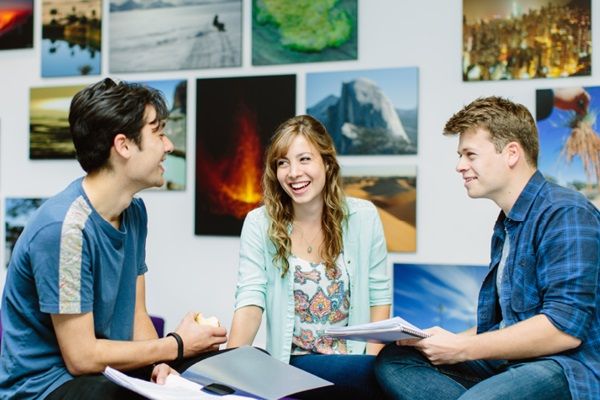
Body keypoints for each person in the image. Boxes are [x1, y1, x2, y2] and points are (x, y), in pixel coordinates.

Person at [0, 78, 228, 399]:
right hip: (45, 387)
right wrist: (176, 344)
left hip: (107, 373)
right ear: (123, 145)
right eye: (158, 133)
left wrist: (161, 365)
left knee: (221, 370)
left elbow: (136, 316)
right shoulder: (65, 230)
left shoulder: (134, 212)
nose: (168, 146)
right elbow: (81, 358)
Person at [375, 96, 599, 400]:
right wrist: (440, 341)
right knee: (396, 358)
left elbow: (563, 329)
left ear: (511, 154)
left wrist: (462, 348)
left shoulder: (566, 212)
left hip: (564, 367)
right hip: (512, 364)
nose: (459, 166)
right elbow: (503, 326)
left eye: (470, 154)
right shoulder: (507, 224)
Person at [227, 115, 391, 399]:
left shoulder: (363, 217)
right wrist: (226, 369)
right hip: (293, 363)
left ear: (326, 163)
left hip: (355, 363)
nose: (293, 173)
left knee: (404, 365)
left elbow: (379, 297)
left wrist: (372, 365)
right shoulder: (259, 223)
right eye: (283, 162)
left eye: (304, 159)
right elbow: (250, 300)